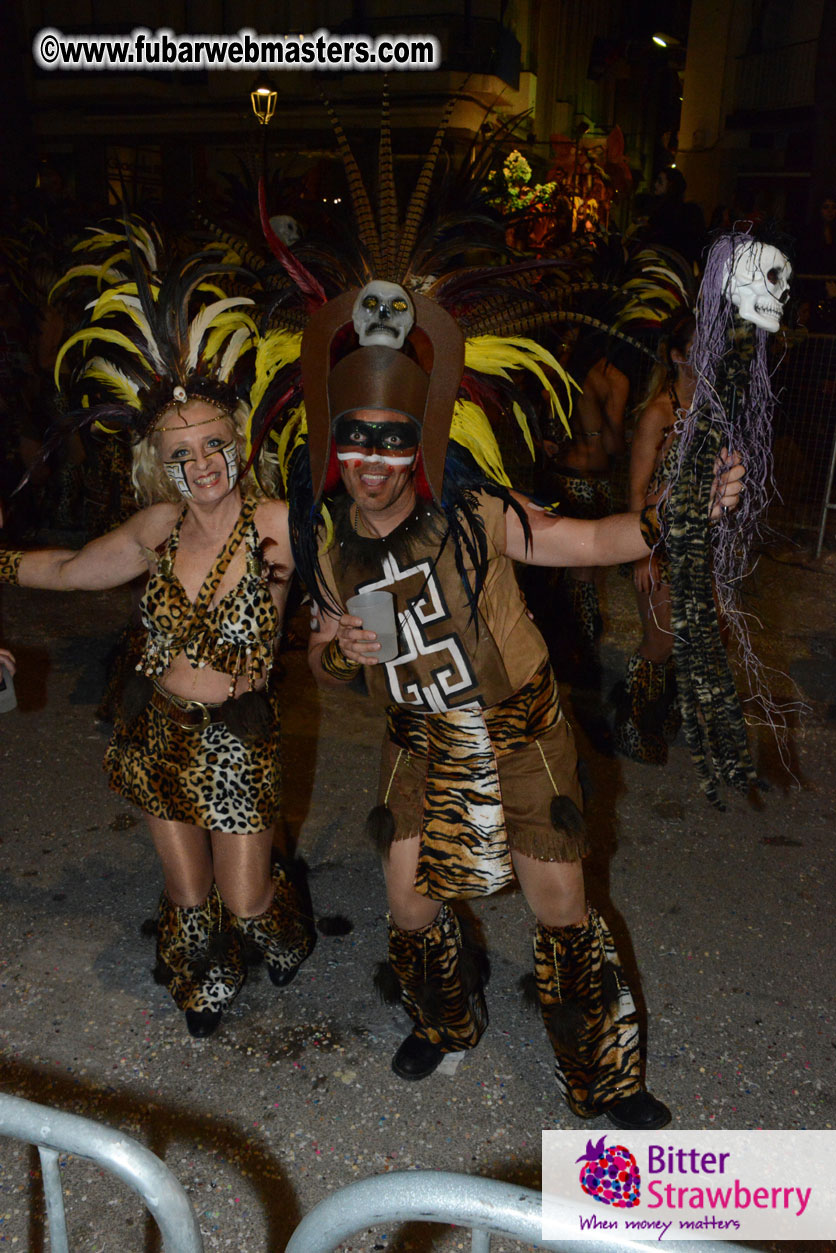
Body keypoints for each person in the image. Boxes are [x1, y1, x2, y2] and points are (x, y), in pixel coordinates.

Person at [295, 296, 742, 1131]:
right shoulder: (328, 540)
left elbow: (595, 541)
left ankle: (606, 1075)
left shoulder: (477, 512)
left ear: (420, 442)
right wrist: (341, 650)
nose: (373, 460)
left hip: (519, 732)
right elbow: (321, 656)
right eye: (356, 437)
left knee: (560, 903)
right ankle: (445, 1021)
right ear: (333, 444)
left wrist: (686, 510)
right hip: (419, 742)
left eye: (392, 438)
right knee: (410, 905)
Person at [0, 245, 314, 1038]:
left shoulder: (279, 523)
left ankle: (283, 923)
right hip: (158, 733)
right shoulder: (156, 527)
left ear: (239, 441)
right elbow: (69, 569)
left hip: (239, 741)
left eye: (214, 444)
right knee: (188, 891)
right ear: (160, 462)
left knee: (246, 900)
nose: (202, 464)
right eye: (182, 453)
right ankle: (199, 975)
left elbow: (358, 568)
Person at [613, 310, 696, 763]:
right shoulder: (658, 414)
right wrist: (642, 556)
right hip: (657, 543)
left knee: (695, 636)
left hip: (697, 545)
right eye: (704, 346)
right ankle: (632, 726)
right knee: (661, 639)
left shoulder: (712, 410)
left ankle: (664, 714)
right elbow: (635, 493)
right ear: (679, 356)